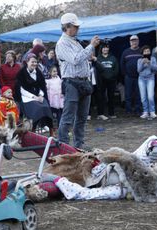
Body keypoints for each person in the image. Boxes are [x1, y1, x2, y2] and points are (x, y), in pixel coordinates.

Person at [55, 13, 100, 149]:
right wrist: (91, 46)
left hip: (83, 82)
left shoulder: (75, 41)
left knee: (82, 117)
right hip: (72, 83)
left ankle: (78, 146)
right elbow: (75, 59)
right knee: (68, 118)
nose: (78, 28)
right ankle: (62, 147)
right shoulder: (62, 43)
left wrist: (88, 57)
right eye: (75, 26)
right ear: (67, 27)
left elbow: (79, 58)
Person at [15, 53, 53, 135]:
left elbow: (42, 86)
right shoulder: (21, 73)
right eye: (32, 62)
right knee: (37, 108)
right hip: (27, 97)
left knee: (46, 106)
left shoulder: (38, 73)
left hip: (38, 96)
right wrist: (34, 97)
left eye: (36, 62)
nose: (34, 64)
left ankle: (49, 129)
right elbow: (21, 90)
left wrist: (40, 95)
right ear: (27, 62)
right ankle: (33, 128)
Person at [93, 43, 119, 119]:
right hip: (101, 81)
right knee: (101, 98)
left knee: (111, 97)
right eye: (104, 48)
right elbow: (96, 70)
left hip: (111, 81)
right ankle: (100, 114)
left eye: (107, 48)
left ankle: (111, 113)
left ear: (109, 49)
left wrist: (113, 76)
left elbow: (116, 69)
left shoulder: (113, 58)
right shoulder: (98, 58)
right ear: (101, 49)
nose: (105, 49)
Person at [121, 35, 142, 114]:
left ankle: (138, 110)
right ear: (130, 42)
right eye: (132, 41)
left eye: (135, 40)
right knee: (128, 94)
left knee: (138, 94)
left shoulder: (141, 51)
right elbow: (122, 64)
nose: (134, 42)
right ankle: (128, 110)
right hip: (128, 77)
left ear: (138, 41)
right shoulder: (125, 52)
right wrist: (125, 74)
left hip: (139, 77)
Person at [137, 45, 157, 119]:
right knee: (143, 97)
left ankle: (152, 111)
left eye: (148, 51)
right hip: (141, 79)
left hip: (150, 79)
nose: (147, 52)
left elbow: (156, 69)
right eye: (145, 51)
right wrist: (143, 63)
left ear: (150, 52)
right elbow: (138, 70)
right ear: (142, 53)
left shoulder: (153, 59)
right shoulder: (139, 60)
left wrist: (149, 63)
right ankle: (145, 112)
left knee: (150, 96)